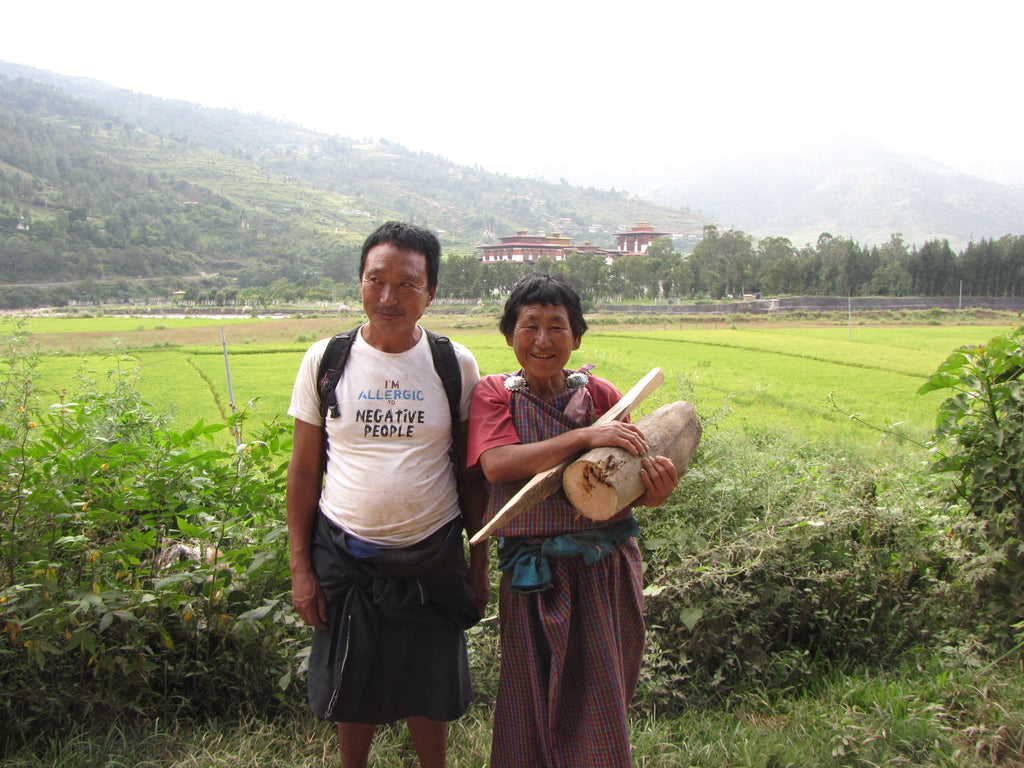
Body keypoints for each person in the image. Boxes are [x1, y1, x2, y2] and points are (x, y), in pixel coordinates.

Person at [286, 221, 489, 768]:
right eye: (376, 280)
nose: (388, 297)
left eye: (406, 284)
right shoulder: (325, 361)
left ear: (432, 293)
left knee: (431, 688)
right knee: (354, 686)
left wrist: (480, 558)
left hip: (435, 550)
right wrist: (301, 567)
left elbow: (471, 475)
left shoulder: (454, 365)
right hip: (345, 555)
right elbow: (305, 471)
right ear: (359, 283)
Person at [467, 273, 679, 767]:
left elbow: (622, 487)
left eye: (557, 327)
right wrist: (584, 439)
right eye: (530, 325)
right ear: (508, 335)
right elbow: (498, 463)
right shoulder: (495, 394)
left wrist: (655, 492)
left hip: (605, 569)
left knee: (600, 698)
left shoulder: (603, 396)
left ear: (577, 337)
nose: (543, 340)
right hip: (533, 576)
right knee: (531, 698)